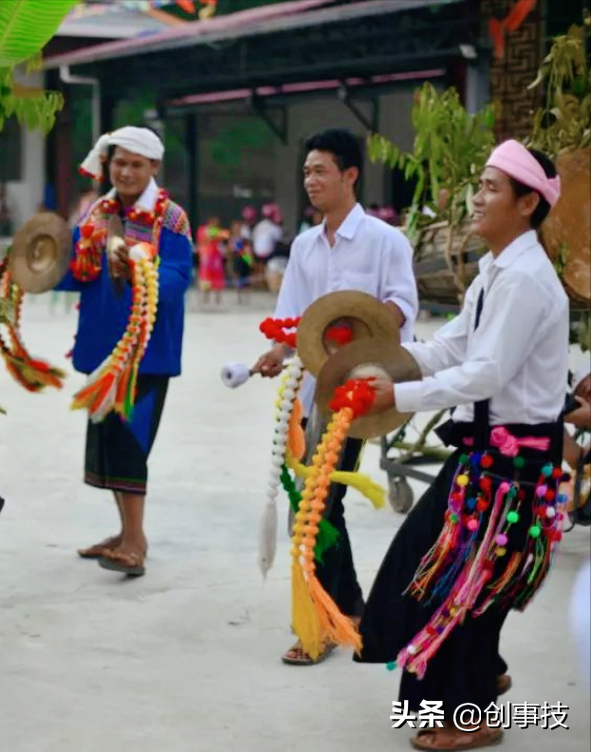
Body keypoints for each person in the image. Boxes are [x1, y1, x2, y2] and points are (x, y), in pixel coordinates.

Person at [357, 141, 567, 751]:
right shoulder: (498, 270)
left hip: (514, 465)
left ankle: (469, 713)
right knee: (436, 573)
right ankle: (483, 673)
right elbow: (453, 347)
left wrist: (396, 396)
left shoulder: (526, 279)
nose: (477, 197)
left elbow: (486, 374)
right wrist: (384, 363)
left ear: (528, 203)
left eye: (492, 188)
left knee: (460, 588)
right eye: (479, 184)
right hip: (486, 458)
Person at [253, 128, 418, 665]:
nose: (311, 181)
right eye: (306, 171)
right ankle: (350, 606)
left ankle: (323, 622)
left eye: (321, 170)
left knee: (319, 500)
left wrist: (357, 328)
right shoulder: (303, 244)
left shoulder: (385, 241)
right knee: (317, 500)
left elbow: (400, 307)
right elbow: (295, 315)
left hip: (358, 388)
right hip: (309, 389)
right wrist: (278, 352)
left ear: (350, 175)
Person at [57, 125, 193, 577]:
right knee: (111, 443)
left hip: (146, 353)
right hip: (102, 348)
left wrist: (139, 266)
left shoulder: (171, 218)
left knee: (132, 444)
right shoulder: (97, 212)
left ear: (153, 167)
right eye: (119, 162)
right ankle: (123, 532)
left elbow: (177, 277)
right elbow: (77, 271)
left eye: (136, 164)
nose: (126, 171)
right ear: (107, 164)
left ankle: (135, 540)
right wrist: (40, 267)